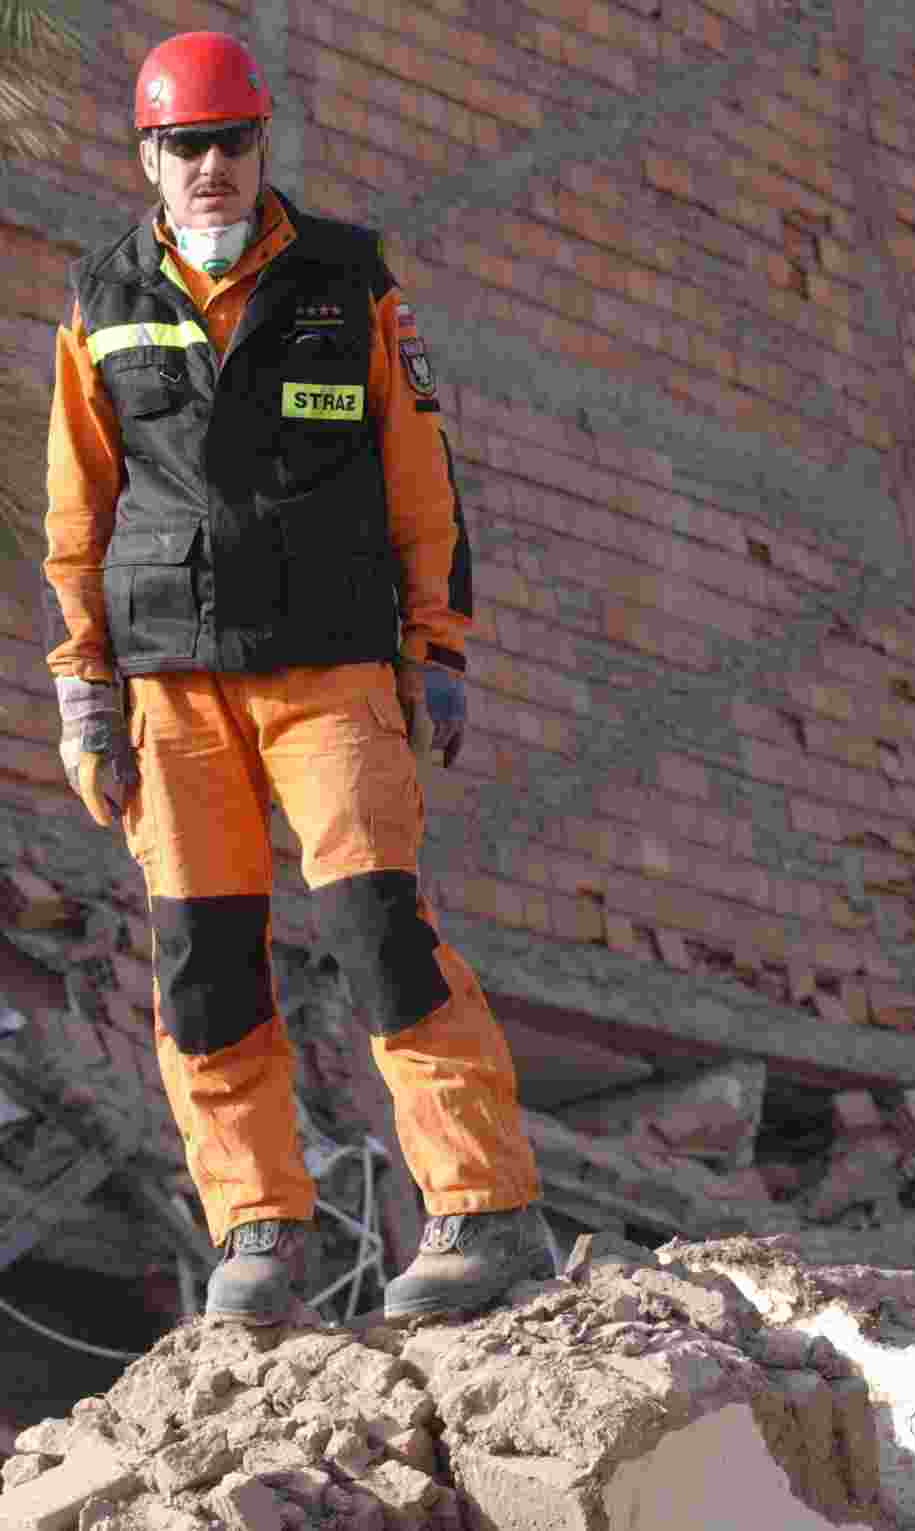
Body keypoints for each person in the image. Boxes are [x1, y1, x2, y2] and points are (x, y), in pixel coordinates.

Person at [41, 30, 553, 1326]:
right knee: (204, 965)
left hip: (328, 676)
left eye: (232, 141)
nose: (211, 168)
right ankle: (260, 1237)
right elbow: (75, 520)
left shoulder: (348, 280)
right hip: (171, 694)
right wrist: (84, 691)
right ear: (147, 157)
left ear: (262, 144)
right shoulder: (97, 302)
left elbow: (418, 477)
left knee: (380, 938)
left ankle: (484, 1211)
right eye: (184, 146)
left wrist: (437, 648)